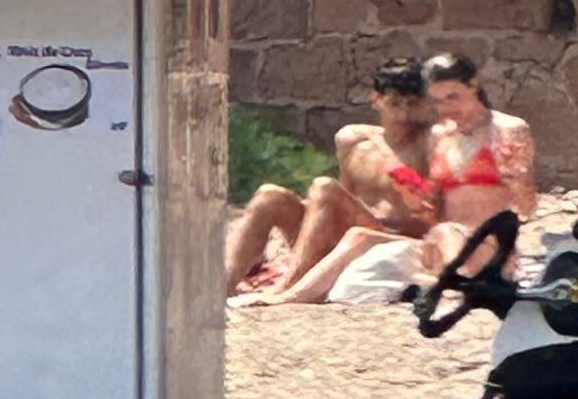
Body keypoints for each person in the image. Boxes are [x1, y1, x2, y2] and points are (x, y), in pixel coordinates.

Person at [225, 65, 438, 302]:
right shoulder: (353, 139)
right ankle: (225, 283)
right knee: (270, 195)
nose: (404, 115)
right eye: (396, 103)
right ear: (376, 99)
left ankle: (287, 288)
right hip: (344, 238)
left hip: (386, 240)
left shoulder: (429, 143)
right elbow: (345, 197)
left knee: (324, 187)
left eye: (413, 104)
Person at [419, 52, 538, 262]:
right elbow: (435, 208)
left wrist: (516, 179)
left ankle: (455, 283)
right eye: (438, 101)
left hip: (490, 243)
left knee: (450, 237)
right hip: (445, 242)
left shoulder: (509, 130)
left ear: (473, 85)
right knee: (361, 240)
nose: (446, 109)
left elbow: (527, 207)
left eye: (453, 97)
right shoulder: (439, 136)